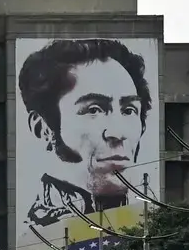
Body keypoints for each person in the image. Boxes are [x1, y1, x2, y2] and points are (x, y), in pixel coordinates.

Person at [18, 36, 154, 239]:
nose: (118, 133)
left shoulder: (148, 231)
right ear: (43, 127)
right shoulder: (34, 236)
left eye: (128, 110)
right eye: (94, 109)